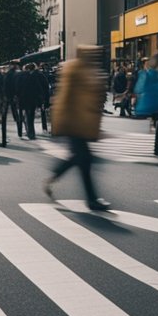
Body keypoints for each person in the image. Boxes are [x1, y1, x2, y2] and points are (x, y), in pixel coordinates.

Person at [44, 46, 110, 211]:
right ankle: (91, 199)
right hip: (74, 123)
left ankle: (53, 179)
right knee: (84, 160)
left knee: (79, 159)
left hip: (79, 123)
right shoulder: (75, 70)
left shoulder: (83, 70)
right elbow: (70, 99)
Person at [17, 63, 45, 140]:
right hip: (32, 99)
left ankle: (29, 132)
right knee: (31, 116)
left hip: (24, 99)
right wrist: (41, 98)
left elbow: (18, 88)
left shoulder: (21, 76)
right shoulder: (33, 77)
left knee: (26, 115)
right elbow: (38, 88)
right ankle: (31, 132)